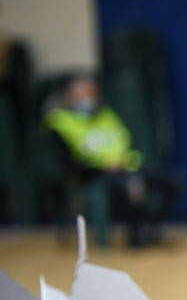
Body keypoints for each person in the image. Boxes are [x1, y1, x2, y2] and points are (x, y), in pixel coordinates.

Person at [43, 74, 178, 247]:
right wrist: (100, 167)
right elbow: (67, 161)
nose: (87, 99)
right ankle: (136, 237)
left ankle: (152, 226)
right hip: (92, 172)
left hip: (125, 164)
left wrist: (120, 161)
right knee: (133, 185)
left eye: (91, 94)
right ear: (69, 98)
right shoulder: (59, 121)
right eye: (82, 95)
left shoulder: (105, 115)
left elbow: (125, 139)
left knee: (174, 181)